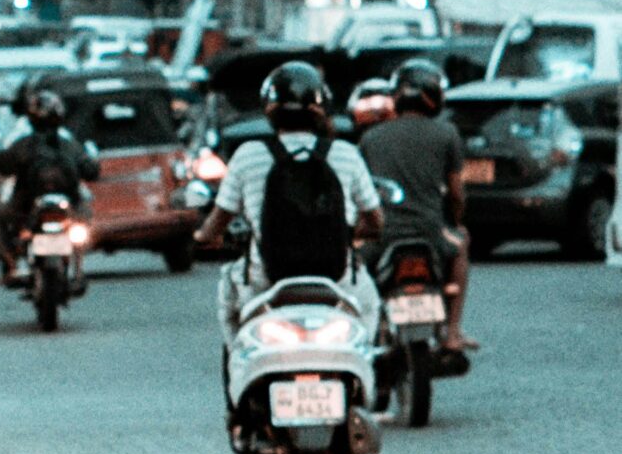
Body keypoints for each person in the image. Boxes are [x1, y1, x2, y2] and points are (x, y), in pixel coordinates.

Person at [193, 59, 384, 346]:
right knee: (369, 307)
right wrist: (350, 233)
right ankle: (363, 368)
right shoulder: (345, 154)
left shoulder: (248, 155)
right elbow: (376, 222)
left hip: (264, 281)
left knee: (229, 300)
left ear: (269, 110)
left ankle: (239, 363)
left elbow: (218, 221)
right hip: (337, 278)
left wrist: (202, 235)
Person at [360, 57, 475, 354]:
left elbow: (361, 194)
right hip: (431, 231)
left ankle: (369, 330)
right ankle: (451, 332)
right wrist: (456, 221)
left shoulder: (371, 138)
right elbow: (457, 193)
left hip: (382, 235)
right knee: (461, 246)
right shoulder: (447, 134)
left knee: (357, 270)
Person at [0, 88, 98, 280]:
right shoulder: (69, 144)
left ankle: (12, 264)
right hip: (42, 204)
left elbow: (2, 165)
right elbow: (90, 169)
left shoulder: (25, 144)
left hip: (42, 204)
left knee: (0, 218)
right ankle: (15, 264)